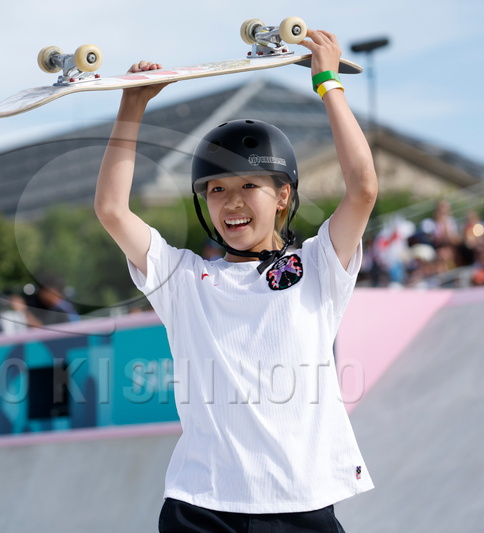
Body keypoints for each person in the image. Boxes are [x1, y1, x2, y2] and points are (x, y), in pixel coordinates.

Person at [95, 29, 377, 532]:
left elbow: (363, 188)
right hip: (203, 508)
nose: (232, 202)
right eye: (217, 189)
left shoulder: (319, 266)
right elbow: (112, 210)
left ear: (283, 196)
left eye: (249, 185)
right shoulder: (183, 281)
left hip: (302, 507)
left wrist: (328, 83)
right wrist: (132, 106)